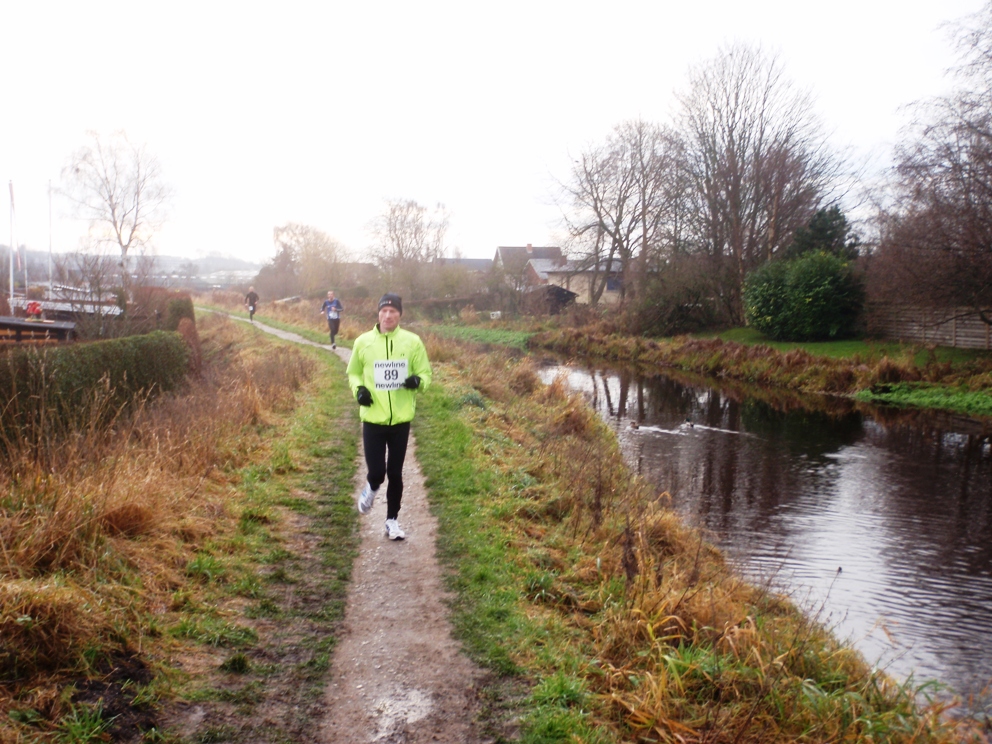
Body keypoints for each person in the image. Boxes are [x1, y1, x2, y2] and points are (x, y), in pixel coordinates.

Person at [346, 293, 432, 540]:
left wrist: (418, 381)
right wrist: (359, 390)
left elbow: (426, 374)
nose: (388, 315)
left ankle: (392, 520)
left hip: (401, 420)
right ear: (378, 314)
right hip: (373, 418)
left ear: (400, 314)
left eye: (393, 311)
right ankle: (371, 489)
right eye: (384, 311)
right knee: (377, 473)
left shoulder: (412, 342)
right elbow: (353, 373)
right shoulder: (363, 342)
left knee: (395, 472)